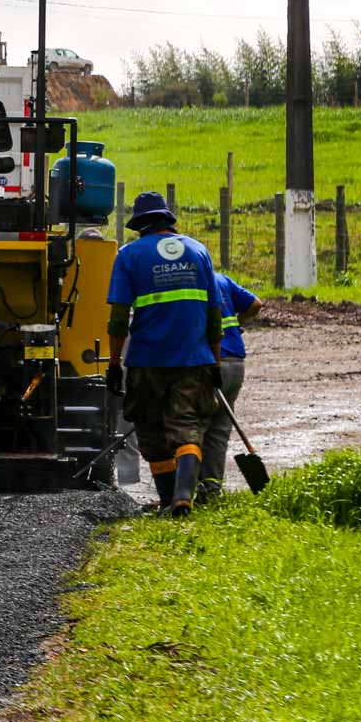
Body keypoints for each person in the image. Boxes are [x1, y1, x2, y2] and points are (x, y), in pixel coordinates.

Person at [106, 191, 224, 518]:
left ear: (139, 225)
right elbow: (214, 314)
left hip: (146, 361)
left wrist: (114, 364)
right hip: (194, 358)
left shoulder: (129, 255)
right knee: (187, 426)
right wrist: (215, 361)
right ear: (168, 220)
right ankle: (184, 496)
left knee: (151, 431)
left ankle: (169, 500)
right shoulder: (199, 251)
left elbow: (118, 319)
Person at [199, 270, 262, 501]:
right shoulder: (221, 279)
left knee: (194, 427)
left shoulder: (190, 283)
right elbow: (255, 304)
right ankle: (211, 491)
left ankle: (189, 491)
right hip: (235, 363)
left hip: (209, 363)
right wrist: (237, 323)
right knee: (218, 431)